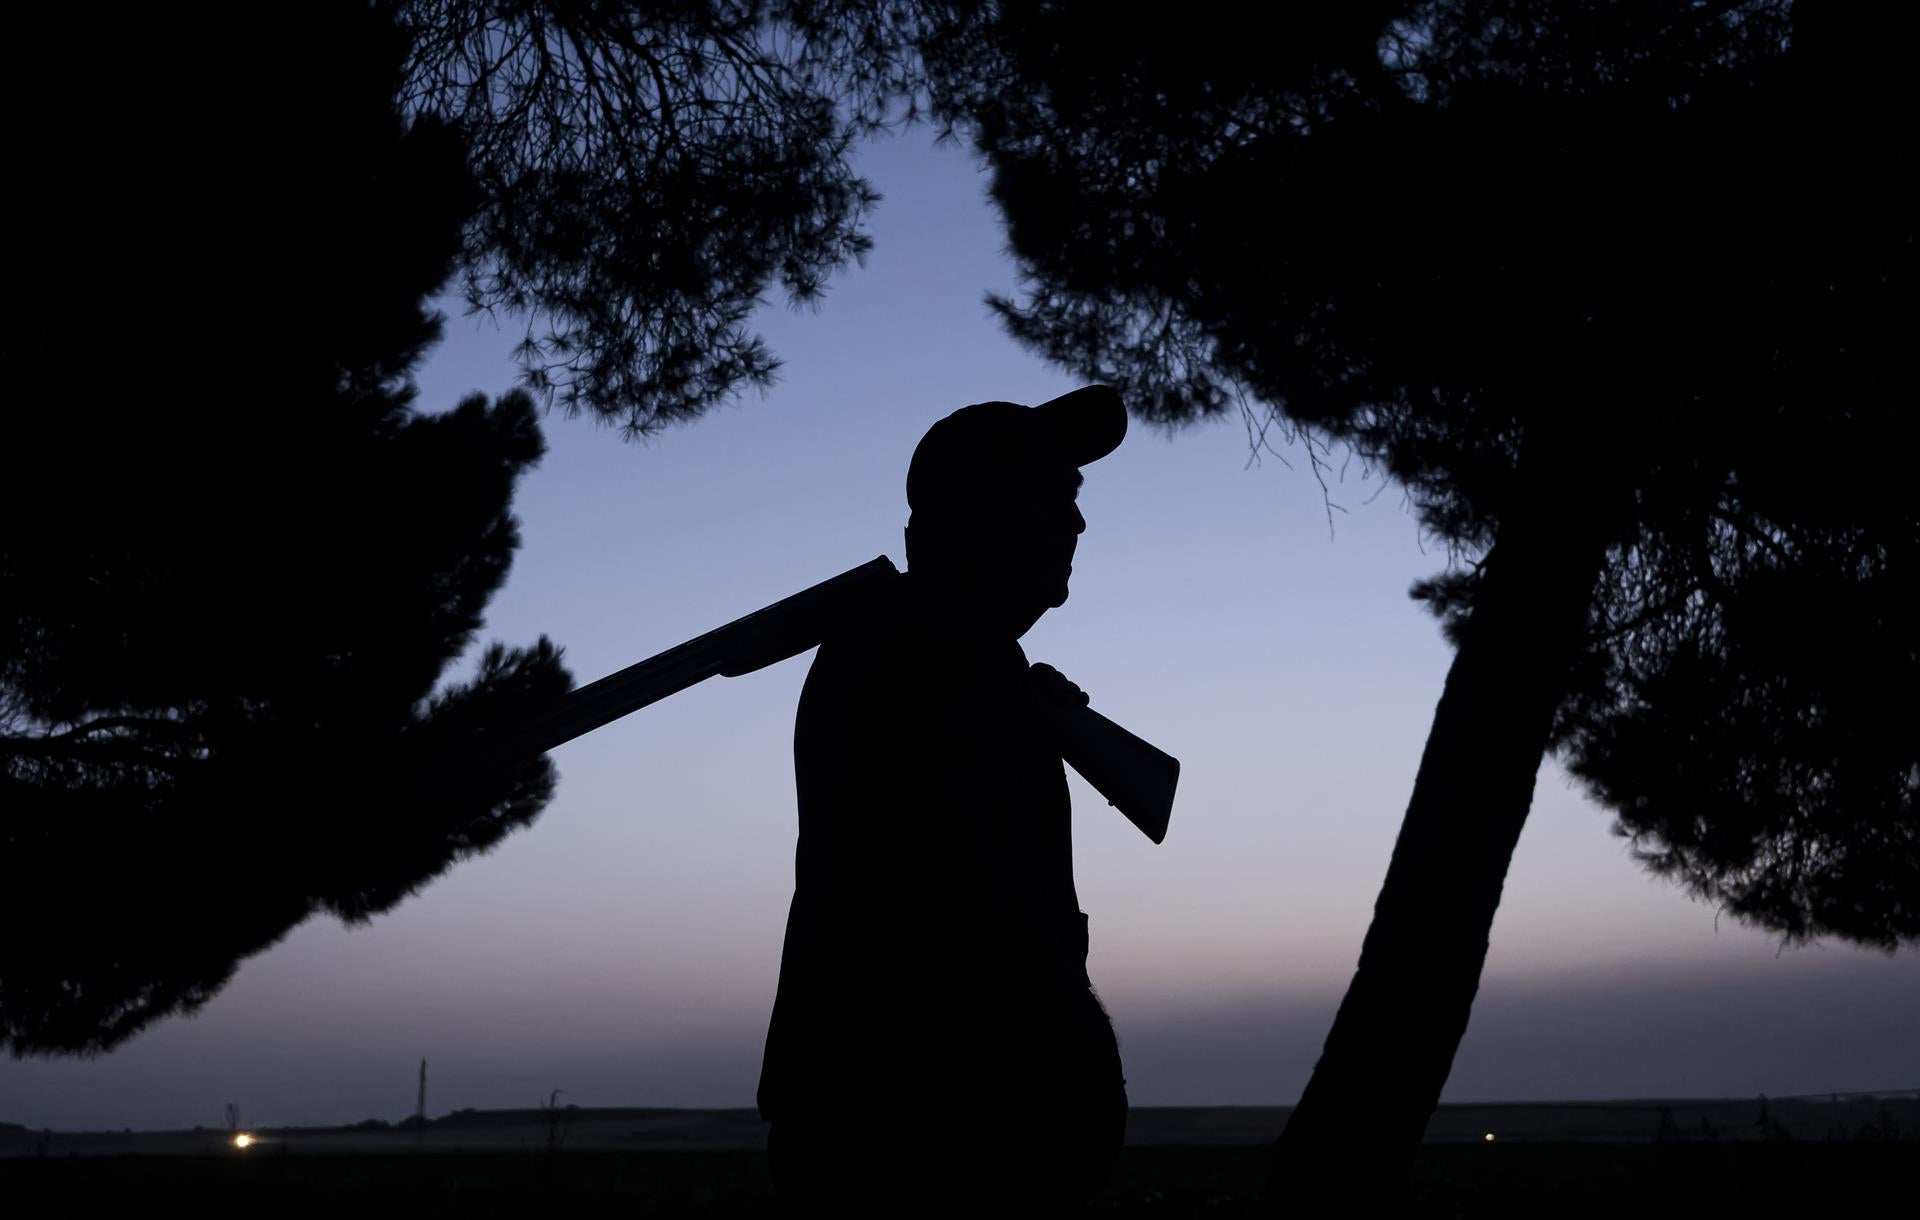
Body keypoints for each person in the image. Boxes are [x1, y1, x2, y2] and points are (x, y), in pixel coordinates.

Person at [758, 386, 1132, 1215]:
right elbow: (970, 926)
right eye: (1053, 496)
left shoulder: (962, 661)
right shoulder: (921, 655)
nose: (1076, 526)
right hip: (930, 1150)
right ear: (976, 514)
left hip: (937, 1135)